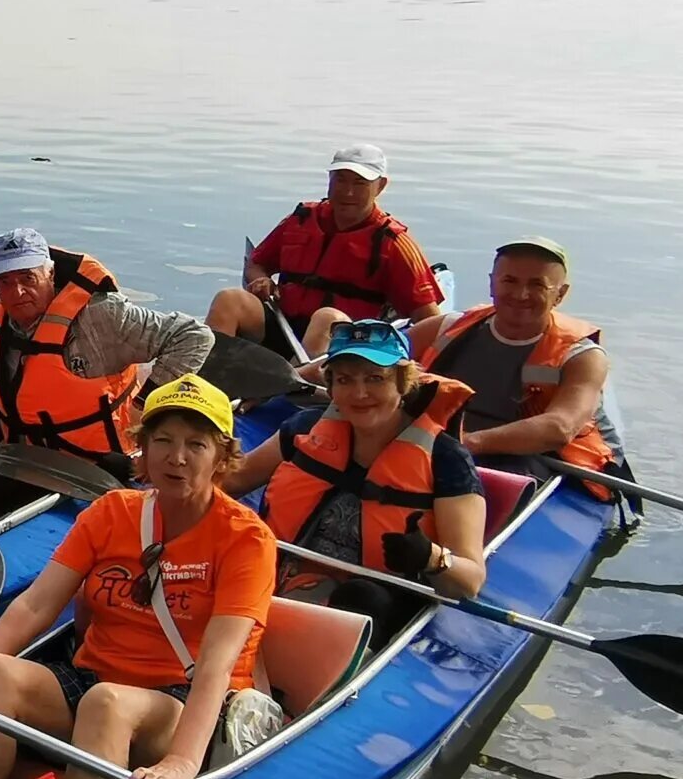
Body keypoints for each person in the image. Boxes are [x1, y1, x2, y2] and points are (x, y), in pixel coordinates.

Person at [0, 376, 277, 779]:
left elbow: (217, 663)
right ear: (145, 448)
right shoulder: (111, 512)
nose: (176, 458)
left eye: (196, 445)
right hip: (92, 678)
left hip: (181, 698)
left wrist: (182, 761)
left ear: (221, 457)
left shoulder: (245, 539)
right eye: (163, 440)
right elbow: (35, 606)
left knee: (106, 704)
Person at [226, 319, 487, 624]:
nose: (359, 393)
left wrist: (430, 557)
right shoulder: (305, 428)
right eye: (345, 380)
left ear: (403, 383)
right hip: (275, 577)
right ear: (331, 385)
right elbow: (232, 482)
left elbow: (470, 581)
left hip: (372, 606)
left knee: (363, 597)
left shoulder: (446, 460)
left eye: (375, 378)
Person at [0, 227, 213, 482]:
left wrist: (147, 404)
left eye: (28, 278)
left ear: (50, 273)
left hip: (102, 466)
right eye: (5, 281)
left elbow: (194, 337)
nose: (17, 292)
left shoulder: (101, 317)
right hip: (23, 458)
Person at [206, 144, 443, 359]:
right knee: (229, 299)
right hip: (283, 324)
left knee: (326, 318)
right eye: (341, 180)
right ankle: (205, 380)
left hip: (345, 343)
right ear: (330, 179)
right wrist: (261, 280)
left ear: (380, 186)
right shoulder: (300, 220)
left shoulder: (394, 243)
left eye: (359, 184)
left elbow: (429, 318)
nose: (348, 192)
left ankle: (298, 392)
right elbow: (257, 263)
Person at [419, 238, 617, 483]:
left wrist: (468, 442)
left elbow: (560, 427)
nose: (521, 295)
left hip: (535, 459)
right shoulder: (446, 328)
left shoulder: (583, 357)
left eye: (537, 285)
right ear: (492, 283)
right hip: (440, 444)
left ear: (560, 294)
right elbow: (376, 358)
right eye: (509, 281)